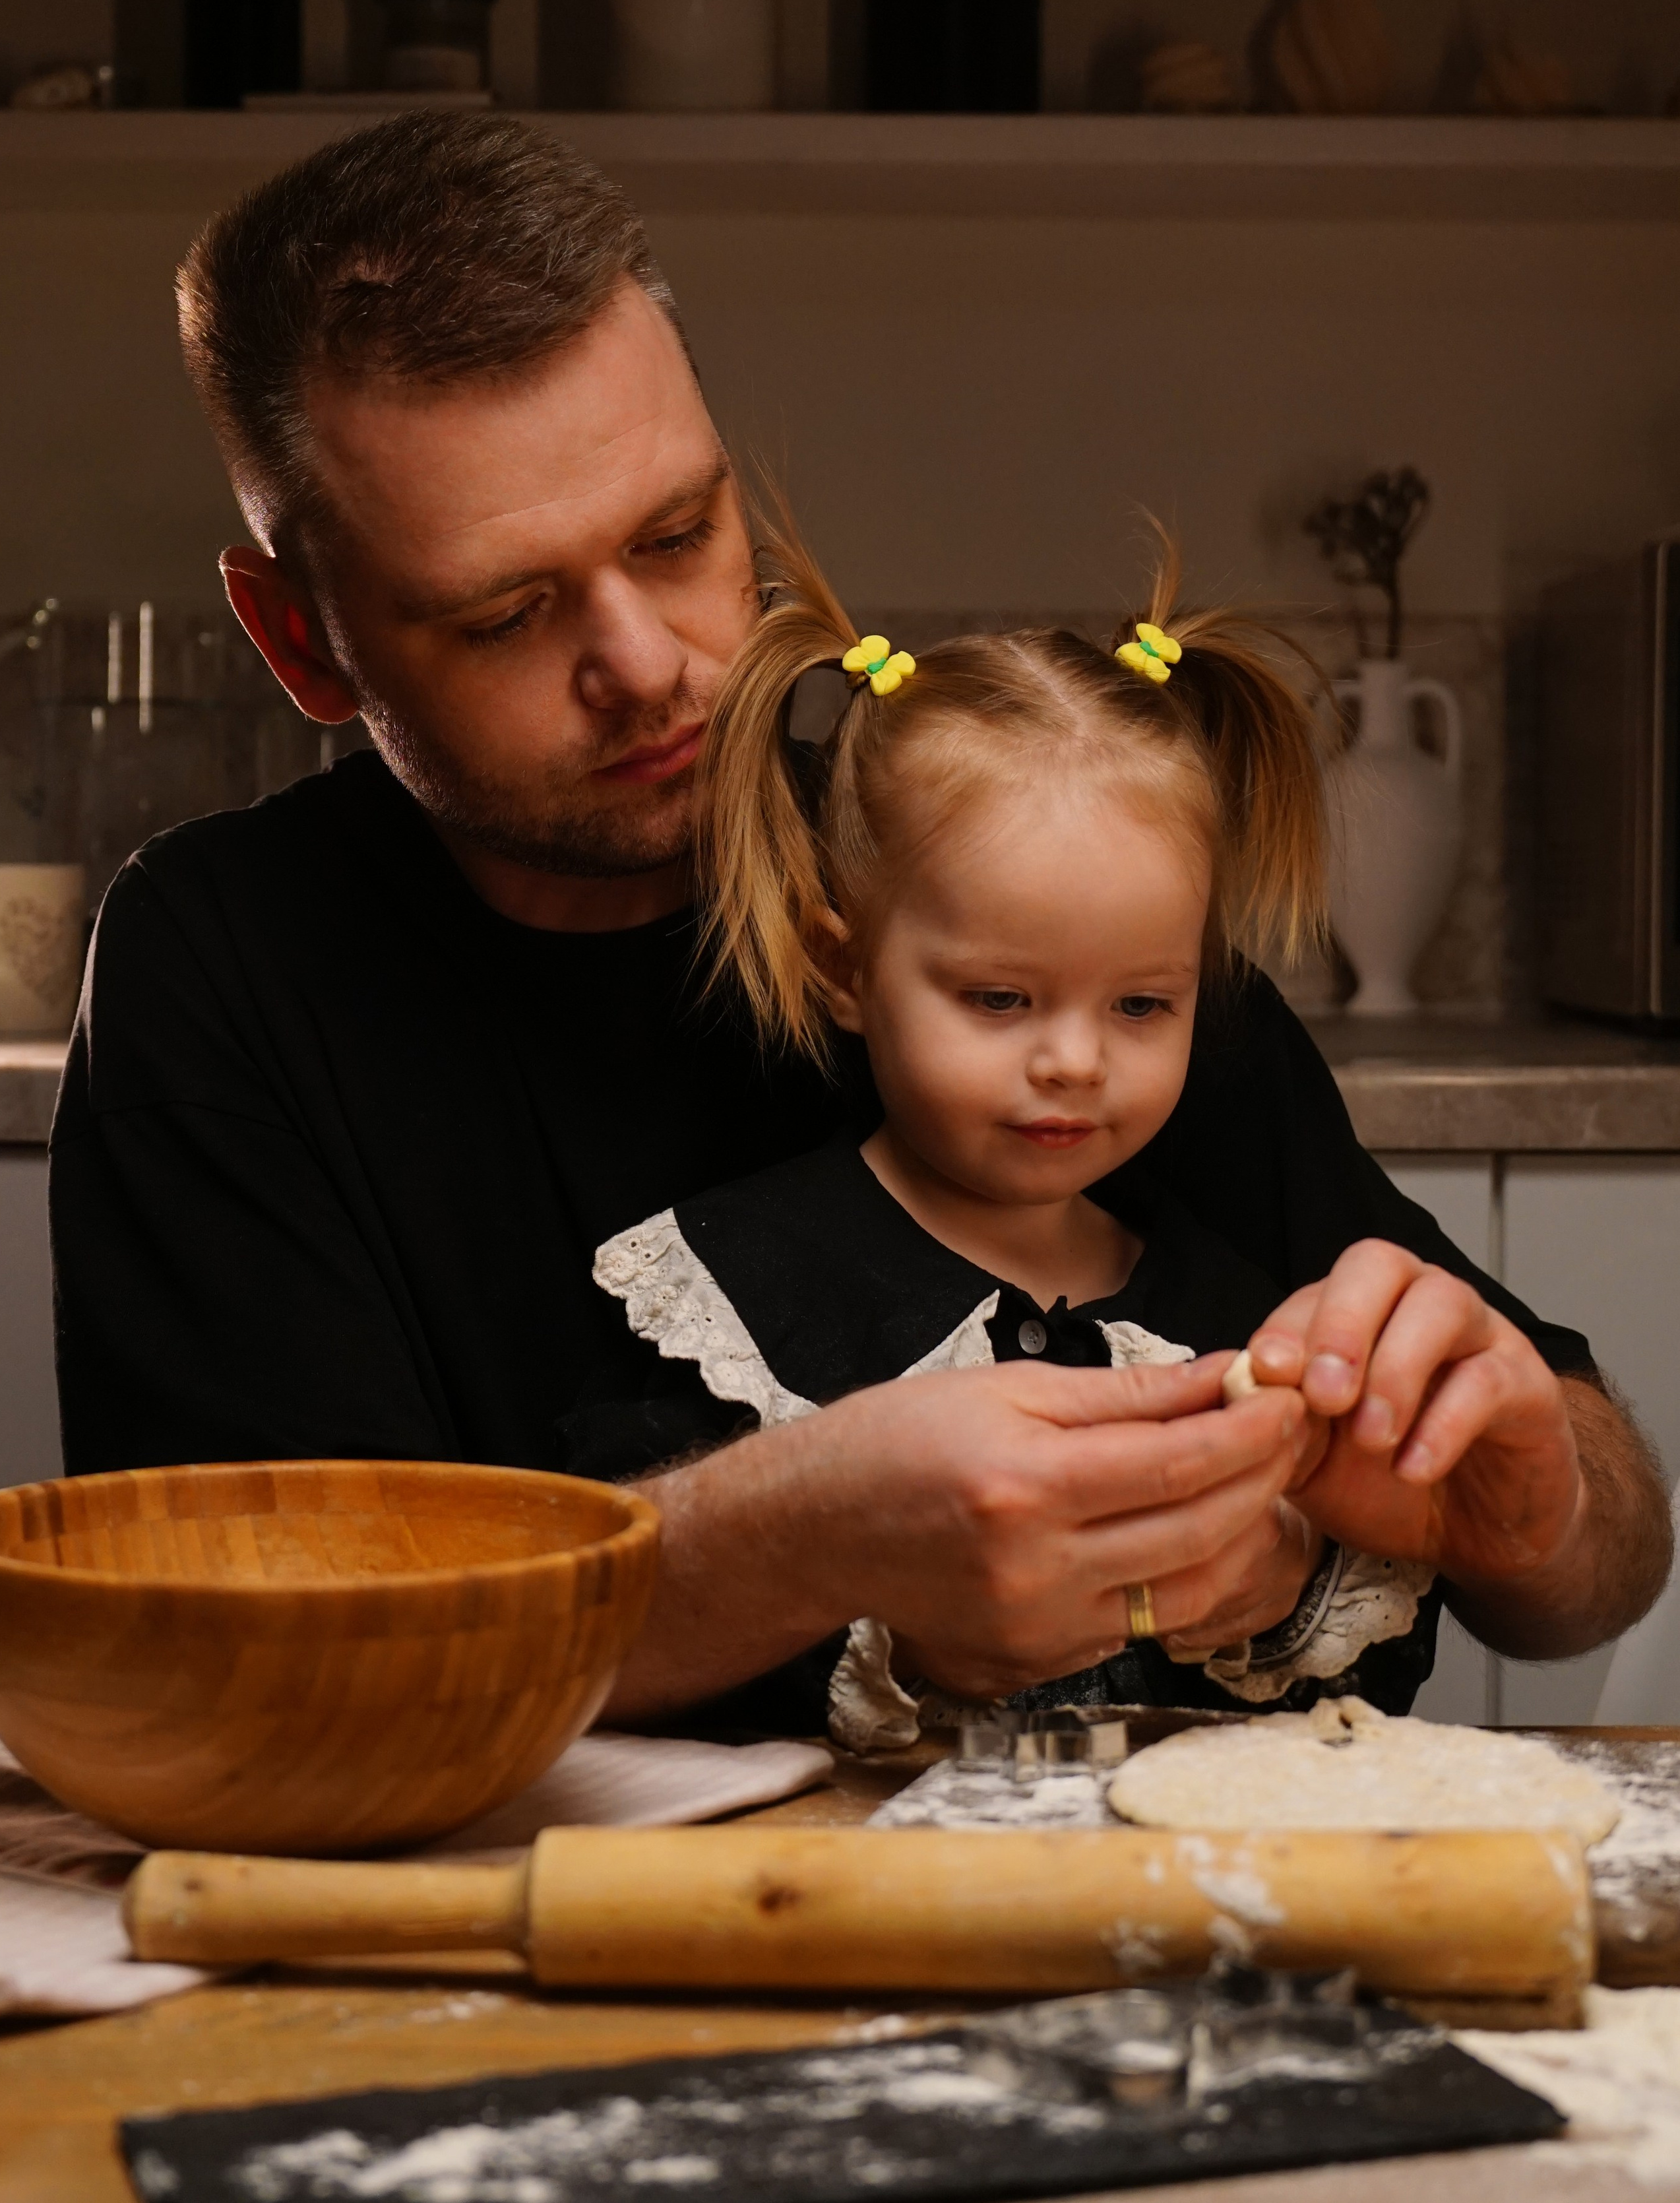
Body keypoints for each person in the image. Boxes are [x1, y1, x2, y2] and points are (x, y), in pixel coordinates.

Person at [49, 111, 1670, 1738]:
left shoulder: (997, 892)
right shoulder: (224, 966)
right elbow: (244, 1675)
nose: (650, 664)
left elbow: (1598, 1562)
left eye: (678, 536)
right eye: (506, 612)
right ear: (300, 636)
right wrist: (789, 1539)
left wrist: (1518, 1495)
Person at [589, 530, 1448, 1745]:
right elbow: (645, 1666)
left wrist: (1287, 1577)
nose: (1075, 1062)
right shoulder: (733, 1292)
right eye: (1000, 1001)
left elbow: (1379, 1673)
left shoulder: (1236, 1306)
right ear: (842, 969)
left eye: (1143, 1005)